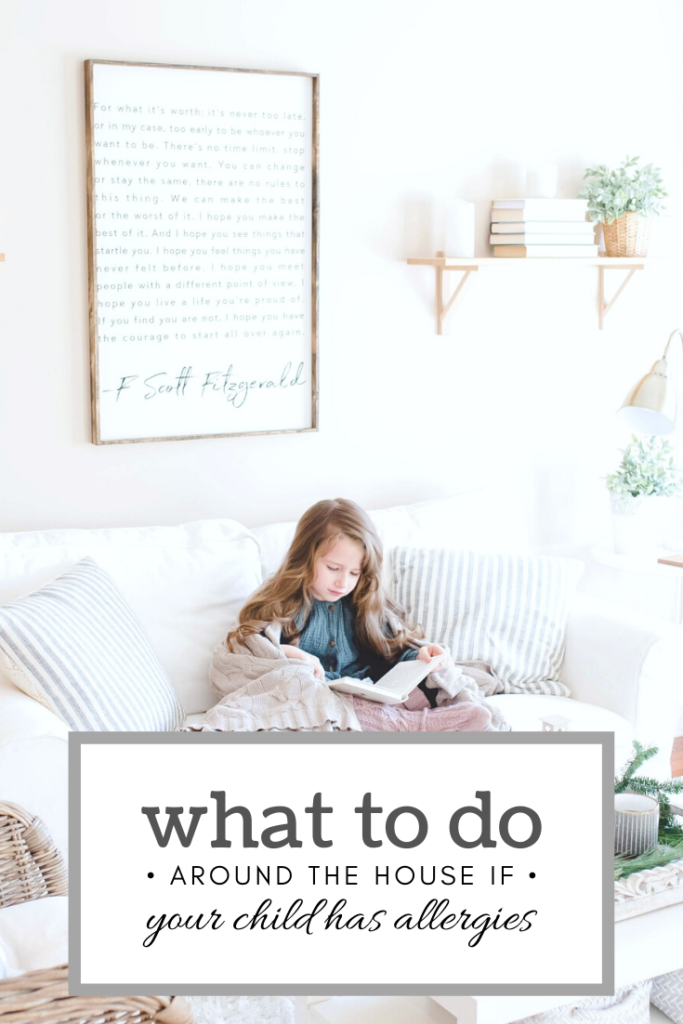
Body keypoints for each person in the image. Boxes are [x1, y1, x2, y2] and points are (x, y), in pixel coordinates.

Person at [227, 497, 445, 704]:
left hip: (363, 694)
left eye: (354, 573)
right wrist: (286, 653)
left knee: (448, 694)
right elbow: (246, 653)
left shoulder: (363, 599)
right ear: (304, 557)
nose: (343, 583)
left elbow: (392, 652)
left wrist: (419, 657)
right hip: (308, 696)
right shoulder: (281, 599)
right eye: (333, 568)